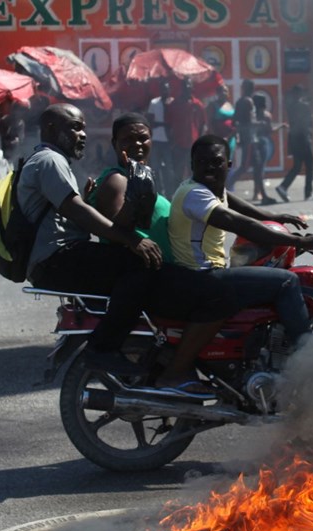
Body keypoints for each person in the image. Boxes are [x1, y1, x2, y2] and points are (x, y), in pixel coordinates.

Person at [18, 104, 232, 394]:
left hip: (61, 255)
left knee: (137, 265)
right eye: (74, 127)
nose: (82, 134)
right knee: (138, 262)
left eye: (83, 127)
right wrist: (131, 240)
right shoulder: (50, 160)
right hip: (58, 257)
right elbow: (77, 211)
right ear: (51, 129)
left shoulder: (57, 162)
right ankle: (103, 347)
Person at [88, 112, 237, 393]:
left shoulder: (143, 176)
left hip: (169, 271)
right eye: (127, 139)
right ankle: (177, 372)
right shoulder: (117, 180)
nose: (137, 144)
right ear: (114, 144)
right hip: (147, 276)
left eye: (142, 137)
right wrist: (134, 202)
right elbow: (118, 225)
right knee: (222, 297)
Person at [170, 134, 313, 348]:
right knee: (287, 281)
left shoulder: (209, 188)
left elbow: (235, 203)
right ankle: (309, 354)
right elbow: (241, 225)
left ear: (229, 164)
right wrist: (305, 242)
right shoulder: (195, 194)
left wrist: (274, 217)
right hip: (201, 276)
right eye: (202, 162)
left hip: (204, 273)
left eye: (216, 162)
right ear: (192, 164)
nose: (209, 167)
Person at [275, 85, 313, 203]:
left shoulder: (291, 106)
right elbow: (308, 122)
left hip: (294, 138)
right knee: (309, 164)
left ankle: (283, 186)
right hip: (303, 138)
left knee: (297, 166)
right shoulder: (303, 106)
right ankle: (308, 193)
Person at [164, 78, 206, 184]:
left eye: (189, 85)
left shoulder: (198, 104)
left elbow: (203, 124)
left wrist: (199, 142)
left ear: (192, 87)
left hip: (193, 145)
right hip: (178, 144)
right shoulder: (175, 104)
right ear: (182, 87)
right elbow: (168, 124)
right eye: (185, 85)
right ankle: (178, 196)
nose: (187, 87)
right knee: (178, 172)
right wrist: (170, 140)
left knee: (194, 173)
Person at [251, 94, 286, 206]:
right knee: (261, 170)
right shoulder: (267, 116)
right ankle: (263, 195)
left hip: (254, 142)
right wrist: (281, 126)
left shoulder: (252, 115)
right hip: (264, 143)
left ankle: (257, 192)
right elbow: (270, 130)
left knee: (257, 169)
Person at [225, 79, 256, 192]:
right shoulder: (248, 101)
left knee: (253, 163)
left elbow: (235, 120)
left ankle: (258, 191)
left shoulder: (240, 101)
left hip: (245, 134)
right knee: (245, 165)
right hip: (249, 136)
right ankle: (228, 185)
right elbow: (250, 120)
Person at [145, 79, 174, 197]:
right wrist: (163, 124)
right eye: (163, 89)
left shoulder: (173, 102)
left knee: (169, 169)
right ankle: (157, 191)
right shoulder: (154, 103)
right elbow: (150, 121)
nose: (165, 91)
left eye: (167, 89)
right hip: (156, 139)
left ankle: (169, 192)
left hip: (169, 140)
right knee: (155, 168)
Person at [205, 83, 237, 159]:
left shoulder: (230, 105)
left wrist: (230, 136)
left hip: (230, 139)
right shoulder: (212, 105)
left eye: (225, 91)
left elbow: (234, 122)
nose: (223, 93)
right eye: (221, 91)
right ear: (217, 93)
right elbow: (209, 123)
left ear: (228, 93)